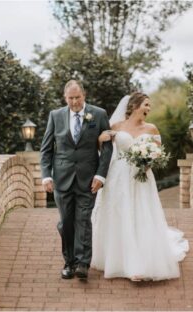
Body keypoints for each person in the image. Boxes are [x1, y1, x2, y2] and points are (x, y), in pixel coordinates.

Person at [91, 92, 189, 281]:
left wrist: (148, 162)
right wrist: (99, 139)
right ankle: (118, 259)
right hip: (117, 177)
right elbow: (103, 150)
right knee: (119, 214)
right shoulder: (116, 126)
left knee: (141, 214)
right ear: (135, 106)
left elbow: (158, 154)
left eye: (149, 106)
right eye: (146, 105)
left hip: (141, 176)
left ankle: (139, 263)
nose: (148, 109)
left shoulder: (151, 129)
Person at [40, 80, 113, 280]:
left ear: (84, 95)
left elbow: (107, 148)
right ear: (65, 98)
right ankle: (68, 262)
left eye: (77, 97)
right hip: (62, 179)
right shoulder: (55, 116)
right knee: (66, 223)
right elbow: (46, 149)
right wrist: (46, 175)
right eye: (70, 98)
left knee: (83, 219)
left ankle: (82, 263)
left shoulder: (98, 114)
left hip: (88, 179)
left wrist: (100, 175)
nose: (74, 102)